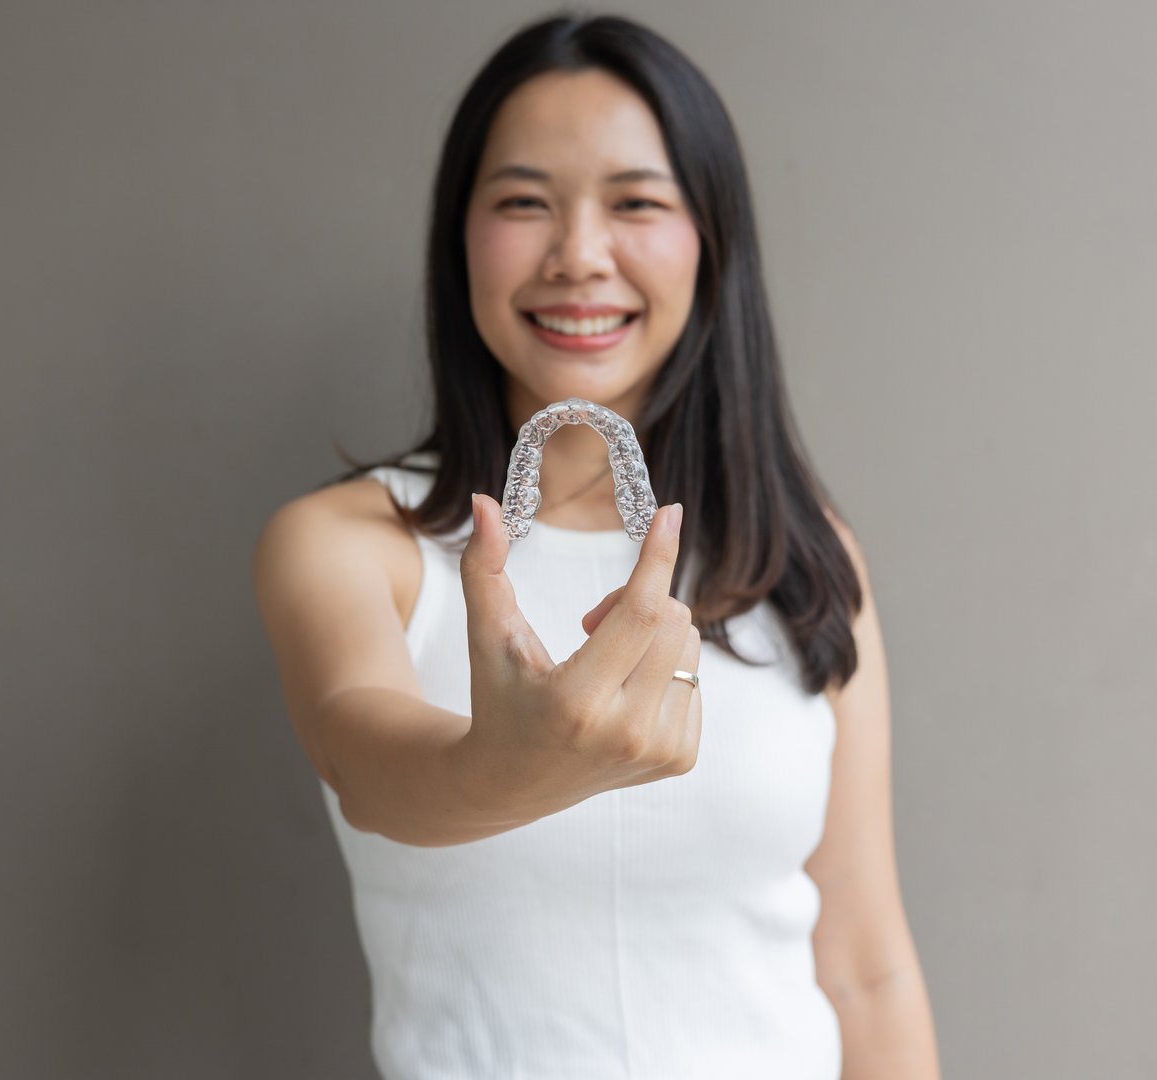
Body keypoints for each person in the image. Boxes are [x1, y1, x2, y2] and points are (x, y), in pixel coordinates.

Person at [252, 11, 940, 1078]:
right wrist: (511, 762)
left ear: (710, 240)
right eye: (524, 202)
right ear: (458, 237)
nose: (579, 255)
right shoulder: (349, 544)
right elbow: (368, 771)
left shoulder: (799, 556)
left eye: (637, 203)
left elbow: (865, 968)